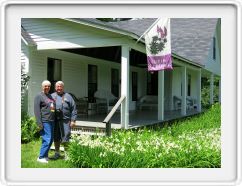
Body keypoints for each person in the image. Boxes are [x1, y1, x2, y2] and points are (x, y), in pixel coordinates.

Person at [51, 81, 77, 160]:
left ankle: (67, 155)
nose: (59, 88)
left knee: (66, 137)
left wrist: (73, 120)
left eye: (60, 86)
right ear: (55, 88)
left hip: (65, 121)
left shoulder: (68, 96)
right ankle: (57, 153)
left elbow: (74, 109)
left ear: (63, 87)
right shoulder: (51, 96)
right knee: (56, 137)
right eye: (57, 86)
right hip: (55, 120)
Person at [34, 80, 55, 163]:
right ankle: (41, 157)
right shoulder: (39, 96)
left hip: (52, 120)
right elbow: (36, 110)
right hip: (45, 121)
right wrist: (39, 123)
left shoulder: (50, 96)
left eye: (49, 86)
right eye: (45, 86)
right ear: (42, 86)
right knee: (47, 138)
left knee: (50, 139)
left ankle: (45, 155)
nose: (47, 87)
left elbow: (52, 107)